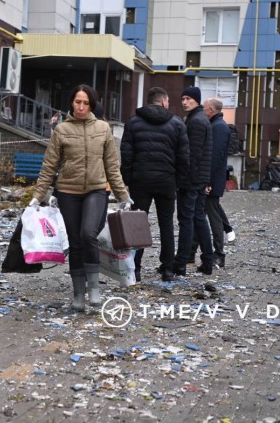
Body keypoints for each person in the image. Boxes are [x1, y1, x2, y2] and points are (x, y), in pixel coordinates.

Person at [29, 84, 132, 310]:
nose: (81, 107)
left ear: (92, 105)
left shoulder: (104, 129)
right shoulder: (62, 130)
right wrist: (38, 195)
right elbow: (49, 166)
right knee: (75, 242)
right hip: (68, 192)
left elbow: (112, 166)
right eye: (78, 102)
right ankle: (78, 294)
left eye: (86, 103)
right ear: (72, 103)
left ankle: (94, 289)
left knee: (88, 234)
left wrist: (122, 195)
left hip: (96, 190)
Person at [120, 87, 189, 282]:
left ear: (149, 101)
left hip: (140, 181)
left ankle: (135, 268)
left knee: (137, 226)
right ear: (165, 101)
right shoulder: (177, 124)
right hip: (167, 181)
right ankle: (167, 268)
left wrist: (128, 180)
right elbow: (184, 157)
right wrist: (179, 181)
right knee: (166, 224)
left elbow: (126, 155)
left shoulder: (133, 123)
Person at [173, 86, 215, 276]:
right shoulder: (199, 119)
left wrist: (184, 178)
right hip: (199, 178)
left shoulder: (196, 122)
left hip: (192, 179)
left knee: (187, 219)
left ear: (197, 101)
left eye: (188, 98)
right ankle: (207, 261)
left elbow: (193, 155)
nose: (184, 102)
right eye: (183, 98)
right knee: (198, 218)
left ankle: (181, 262)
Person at [202, 97, 231, 268]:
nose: (202, 110)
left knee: (214, 217)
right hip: (212, 179)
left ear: (211, 110)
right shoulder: (216, 125)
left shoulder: (218, 127)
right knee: (208, 214)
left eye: (204, 107)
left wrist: (208, 181)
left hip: (212, 180)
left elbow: (215, 157)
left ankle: (219, 254)